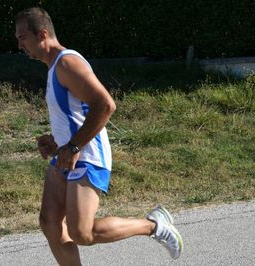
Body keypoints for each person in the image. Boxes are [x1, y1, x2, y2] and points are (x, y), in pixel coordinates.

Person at [15, 7, 183, 265]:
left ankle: (154, 225)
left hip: (87, 155)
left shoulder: (67, 63)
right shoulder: (53, 68)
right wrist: (57, 140)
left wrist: (72, 146)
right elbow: (77, 113)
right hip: (68, 152)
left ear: (43, 34)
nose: (19, 44)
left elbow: (105, 105)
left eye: (22, 37)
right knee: (50, 223)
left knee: (82, 232)